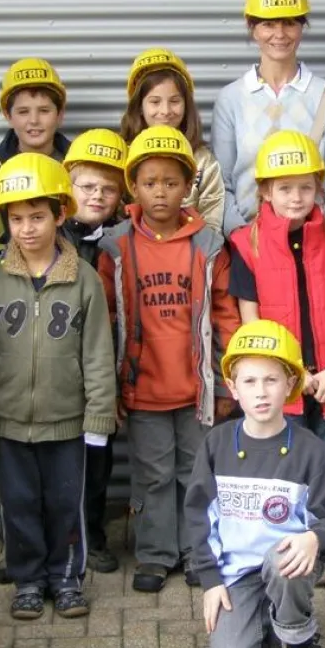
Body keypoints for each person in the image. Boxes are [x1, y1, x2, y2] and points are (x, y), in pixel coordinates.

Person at [0, 152, 117, 620]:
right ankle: (28, 578)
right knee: (20, 505)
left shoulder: (84, 280)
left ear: (60, 215)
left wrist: (98, 417)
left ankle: (67, 577)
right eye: (16, 219)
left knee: (64, 504)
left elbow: (97, 353)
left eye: (37, 216)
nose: (27, 228)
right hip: (10, 424)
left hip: (67, 422)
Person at [97, 126, 242, 594]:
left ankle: (200, 555)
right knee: (152, 476)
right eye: (150, 182)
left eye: (172, 182)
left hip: (196, 391)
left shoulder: (209, 246)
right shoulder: (116, 246)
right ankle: (157, 554)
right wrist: (111, 390)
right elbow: (106, 321)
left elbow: (225, 317)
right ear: (132, 187)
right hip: (143, 391)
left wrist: (225, 384)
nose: (161, 192)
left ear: (188, 188)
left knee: (197, 475)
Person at [185, 320, 325, 648]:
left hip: (288, 567)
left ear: (291, 385)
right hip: (239, 575)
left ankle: (299, 642)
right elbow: (198, 520)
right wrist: (210, 582)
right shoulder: (216, 445)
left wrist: (316, 537)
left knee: (283, 560)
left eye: (272, 380)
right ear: (232, 387)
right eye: (249, 381)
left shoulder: (311, 451)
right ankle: (266, 619)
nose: (261, 392)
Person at [228, 130, 325, 461]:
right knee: (284, 470)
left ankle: (323, 517)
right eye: (284, 188)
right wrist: (295, 374)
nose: (296, 197)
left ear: (318, 187)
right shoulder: (247, 245)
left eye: (305, 187)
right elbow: (251, 320)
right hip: (282, 383)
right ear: (265, 191)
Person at [212, 0, 325, 234]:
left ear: (302, 27)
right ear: (252, 27)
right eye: (268, 23)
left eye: (290, 22)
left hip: (314, 245)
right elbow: (222, 185)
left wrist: (320, 235)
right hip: (249, 245)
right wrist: (242, 239)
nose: (279, 33)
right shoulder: (231, 98)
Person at [64, 129, 131, 574]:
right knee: (52, 462)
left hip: (105, 371)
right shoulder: (52, 238)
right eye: (87, 186)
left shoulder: (126, 239)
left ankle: (94, 534)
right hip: (59, 372)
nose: (97, 196)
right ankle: (48, 542)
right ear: (68, 186)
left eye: (108, 189)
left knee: (97, 457)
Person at [0, 57, 72, 274]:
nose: (33, 121)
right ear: (8, 115)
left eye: (44, 110)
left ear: (60, 114)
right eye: (23, 112)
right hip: (11, 291)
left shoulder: (77, 169)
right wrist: (11, 266)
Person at [120, 47, 224, 230]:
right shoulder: (122, 154)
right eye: (155, 102)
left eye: (175, 101)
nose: (166, 111)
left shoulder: (202, 159)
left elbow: (212, 219)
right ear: (139, 107)